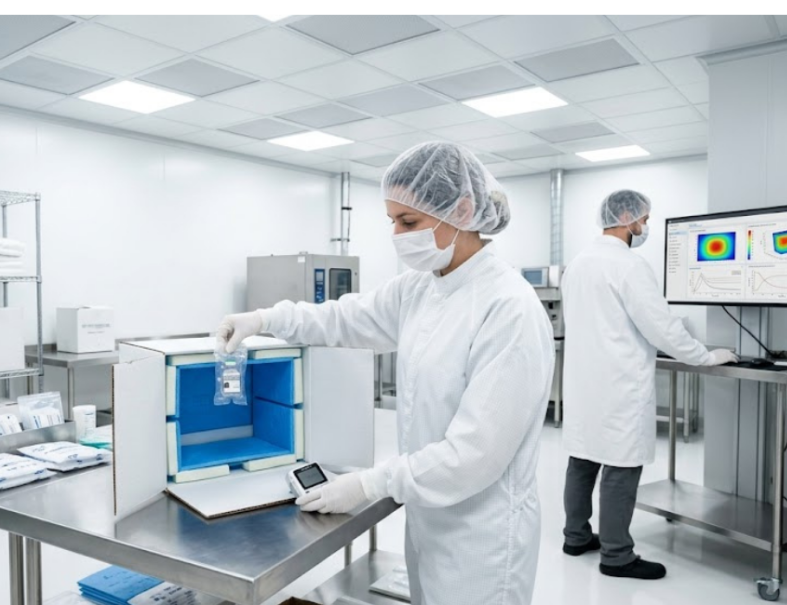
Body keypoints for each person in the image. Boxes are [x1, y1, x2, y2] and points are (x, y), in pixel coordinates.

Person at [217, 142, 555, 605]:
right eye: (392, 220)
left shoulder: (508, 307)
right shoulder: (423, 287)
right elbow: (343, 318)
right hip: (429, 516)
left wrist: (371, 484)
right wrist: (267, 319)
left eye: (409, 222)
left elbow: (475, 454)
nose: (397, 234)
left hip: (484, 537)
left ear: (461, 209)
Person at [561, 190, 738, 580]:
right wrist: (706, 356)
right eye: (644, 219)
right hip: (619, 384)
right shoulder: (629, 265)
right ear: (626, 217)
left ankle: (576, 537)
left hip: (583, 382)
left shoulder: (577, 263)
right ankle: (617, 556)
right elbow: (662, 327)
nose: (644, 227)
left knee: (583, 459)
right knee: (621, 468)